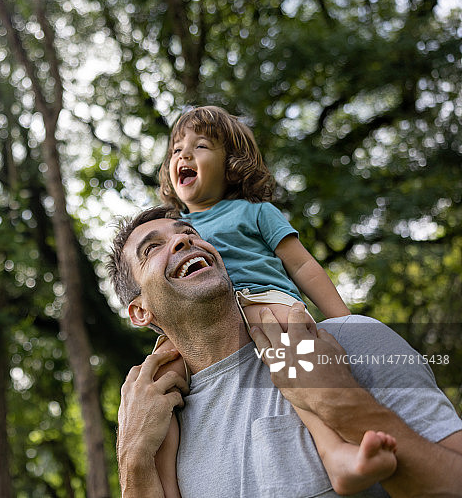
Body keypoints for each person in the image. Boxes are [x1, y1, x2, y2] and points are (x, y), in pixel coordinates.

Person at [109, 207, 462, 497]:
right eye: (152, 248)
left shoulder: (350, 341)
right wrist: (132, 460)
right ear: (140, 311)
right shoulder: (158, 419)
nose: (184, 239)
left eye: (188, 231)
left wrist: (346, 405)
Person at [151, 105, 394, 496]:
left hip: (265, 301)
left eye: (200, 146)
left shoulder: (255, 211)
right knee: (157, 388)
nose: (184, 155)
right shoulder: (173, 230)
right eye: (176, 150)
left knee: (297, 371)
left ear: (231, 163)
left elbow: (303, 267)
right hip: (203, 320)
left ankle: (336, 455)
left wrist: (345, 323)